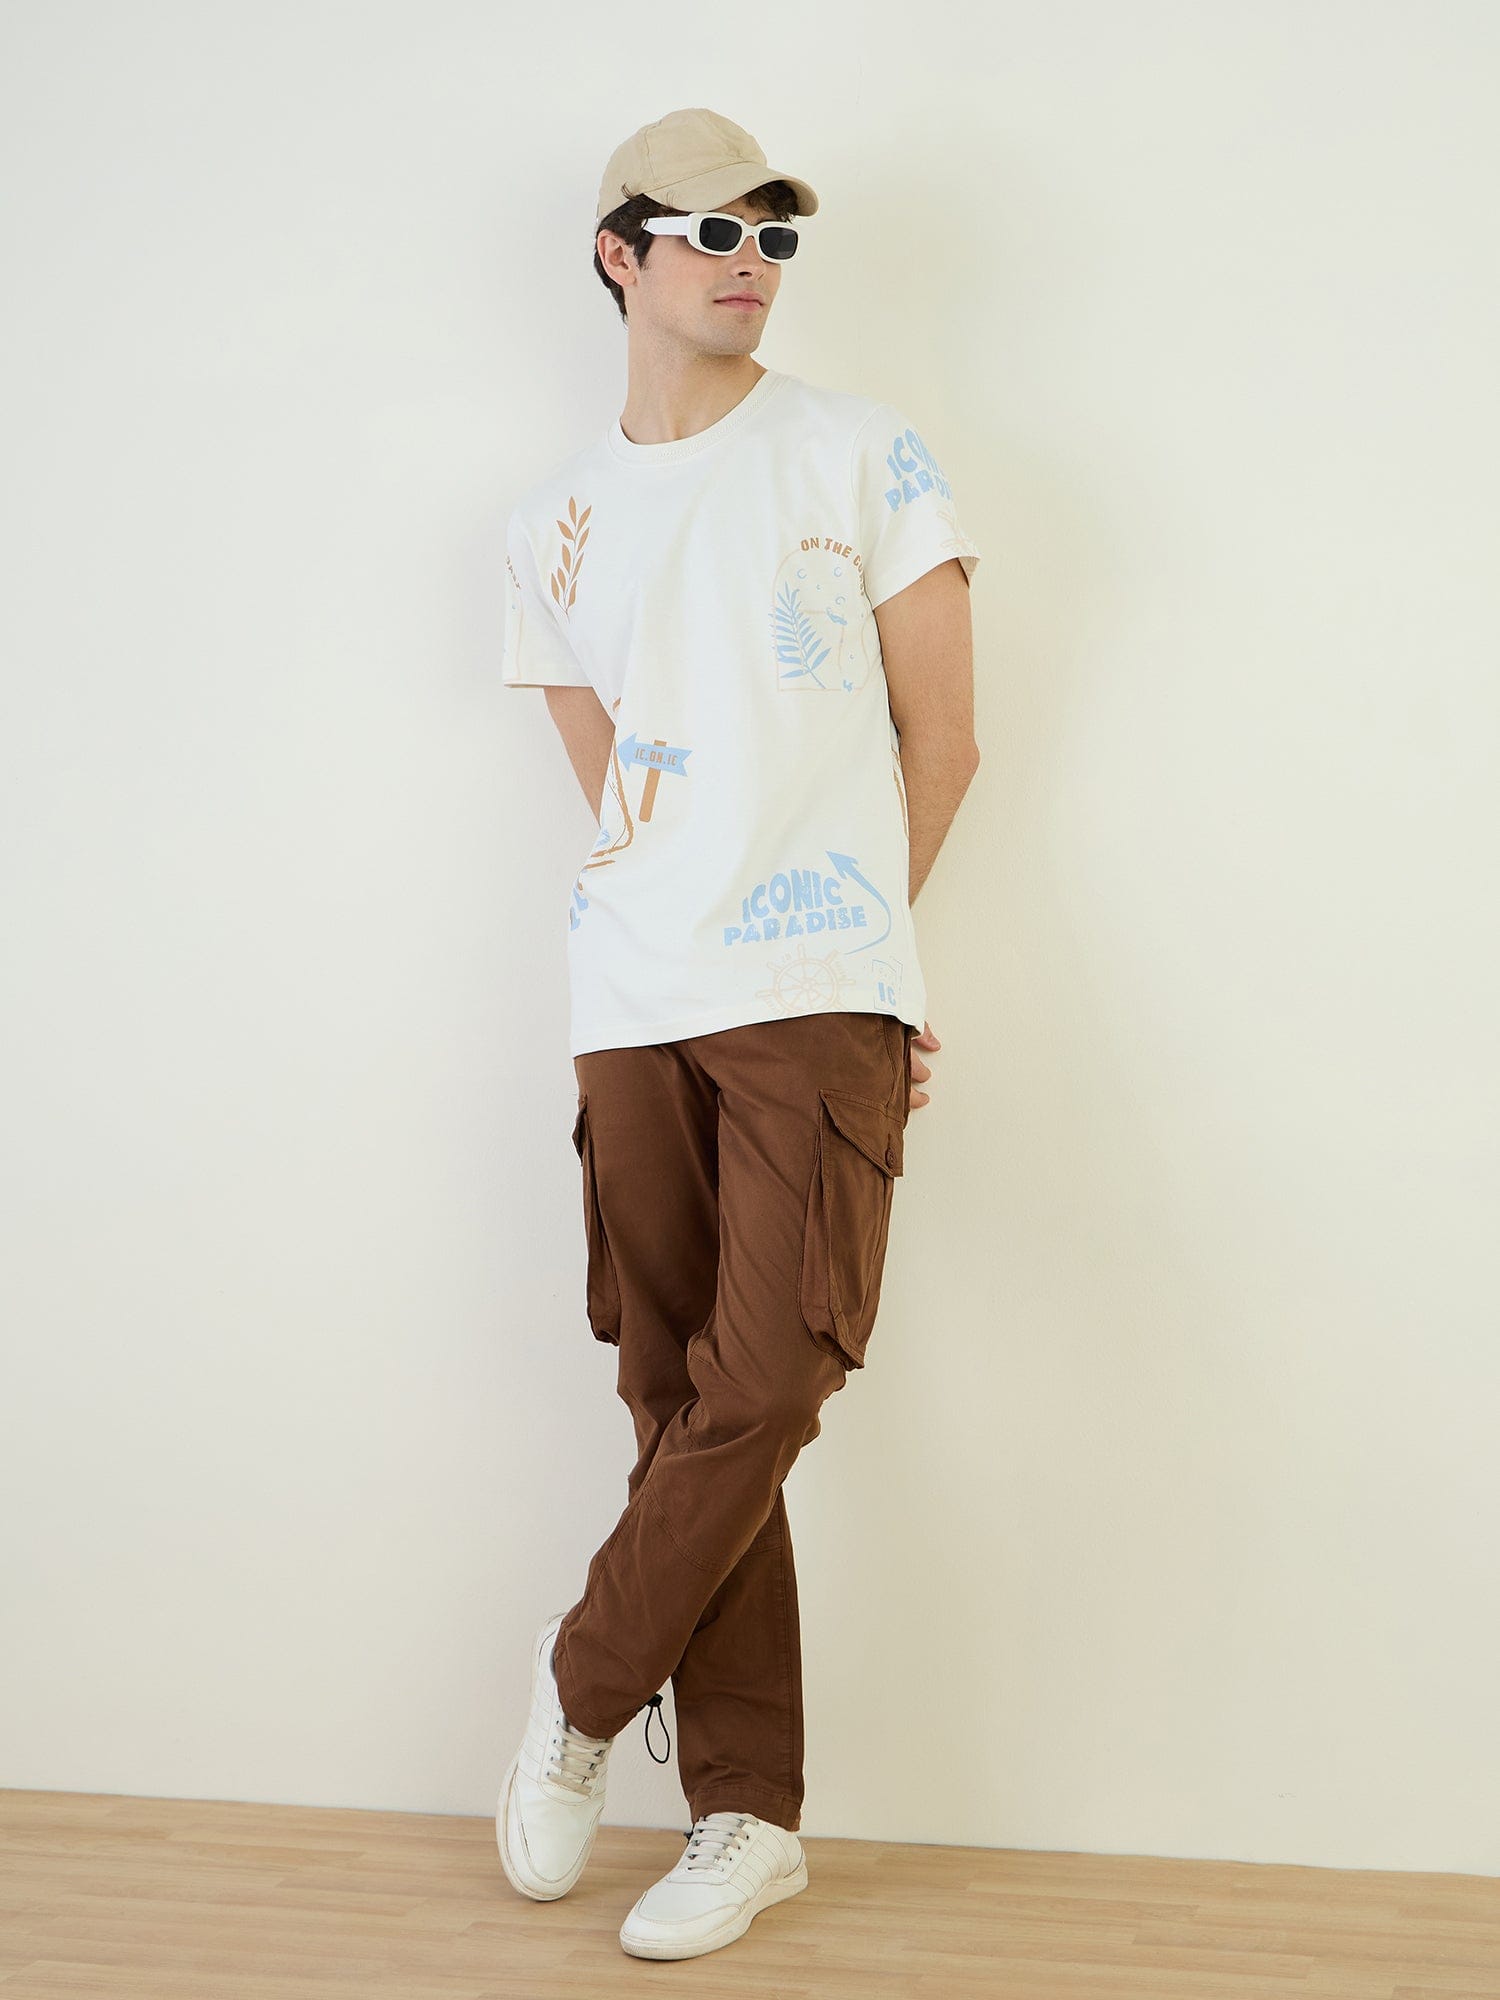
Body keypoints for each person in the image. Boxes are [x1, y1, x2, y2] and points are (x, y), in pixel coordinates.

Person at [494, 107, 982, 1961]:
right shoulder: (549, 523)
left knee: (770, 1378)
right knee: (677, 1394)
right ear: (617, 253)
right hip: (633, 997)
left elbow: (946, 738)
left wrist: (872, 964)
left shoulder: (862, 452)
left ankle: (582, 1685)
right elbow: (616, 791)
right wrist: (678, 927)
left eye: (774, 236)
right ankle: (748, 1820)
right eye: (709, 231)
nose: (749, 263)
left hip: (816, 984)